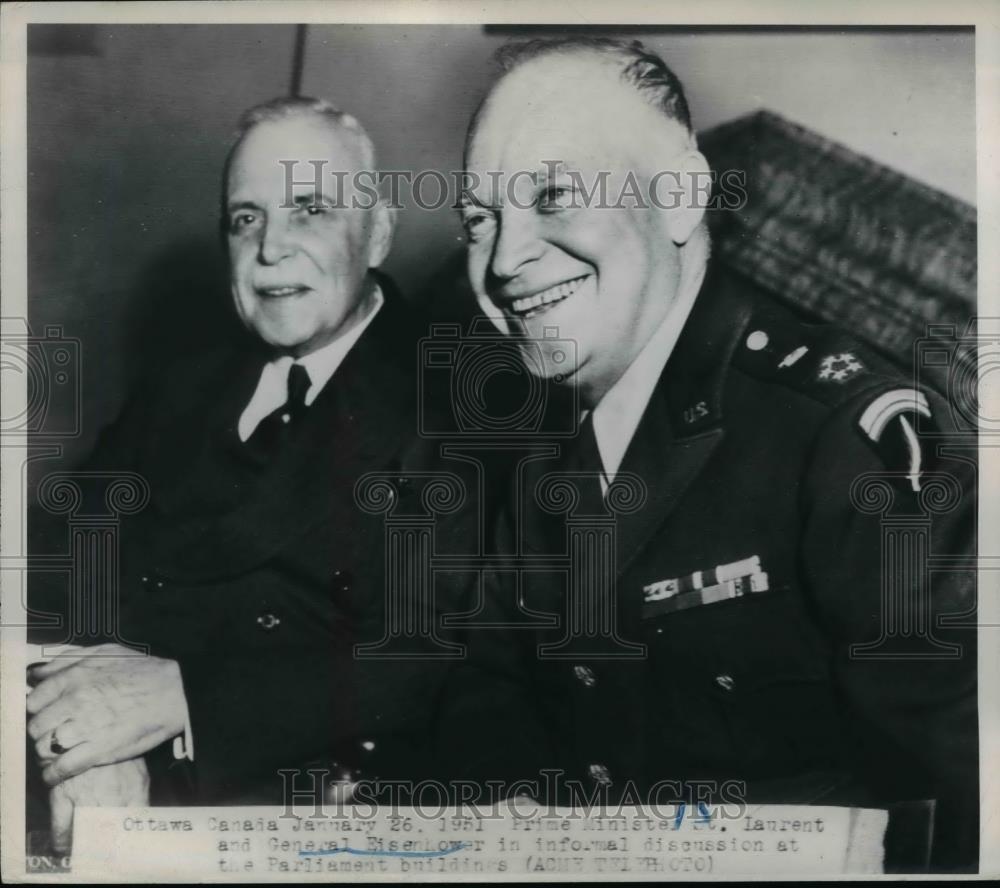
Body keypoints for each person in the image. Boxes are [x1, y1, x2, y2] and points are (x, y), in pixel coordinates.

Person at [448, 37, 978, 869]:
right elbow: (489, 701)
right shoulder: (546, 460)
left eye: (554, 194)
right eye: (480, 219)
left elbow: (961, 809)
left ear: (682, 196)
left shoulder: (845, 435)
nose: (507, 259)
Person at [26, 97, 475, 842]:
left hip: (309, 807)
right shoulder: (183, 385)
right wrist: (88, 740)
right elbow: (59, 557)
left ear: (379, 233)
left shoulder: (453, 402)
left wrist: (179, 702)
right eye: (246, 218)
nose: (270, 249)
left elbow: (428, 658)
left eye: (309, 210)